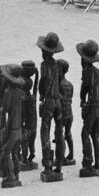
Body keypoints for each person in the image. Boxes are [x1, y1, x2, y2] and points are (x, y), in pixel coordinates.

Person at [37, 32, 65, 181]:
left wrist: (41, 95)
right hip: (58, 102)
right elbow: (59, 82)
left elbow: (43, 83)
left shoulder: (44, 65)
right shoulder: (58, 65)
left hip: (48, 102)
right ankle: (59, 164)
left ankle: (48, 165)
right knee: (59, 132)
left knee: (45, 131)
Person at [76, 40, 99, 177]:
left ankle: (88, 162)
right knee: (95, 135)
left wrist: (82, 101)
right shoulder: (98, 72)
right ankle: (97, 162)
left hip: (91, 107)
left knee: (85, 133)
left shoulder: (87, 72)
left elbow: (84, 90)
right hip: (98, 107)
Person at [57, 59, 75, 165]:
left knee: (60, 135)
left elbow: (60, 99)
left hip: (62, 113)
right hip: (69, 113)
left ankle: (62, 156)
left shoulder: (58, 85)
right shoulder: (70, 84)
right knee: (68, 134)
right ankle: (71, 153)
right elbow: (70, 97)